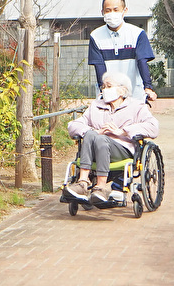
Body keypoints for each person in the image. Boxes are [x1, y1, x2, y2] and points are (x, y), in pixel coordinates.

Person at [64, 72, 159, 204]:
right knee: (91, 134)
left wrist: (123, 131)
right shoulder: (96, 106)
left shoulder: (136, 107)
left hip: (122, 150)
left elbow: (153, 127)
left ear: (122, 90)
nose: (104, 90)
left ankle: (101, 187)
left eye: (109, 86)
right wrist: (96, 131)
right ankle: (83, 183)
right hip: (95, 150)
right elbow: (73, 125)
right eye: (103, 87)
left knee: (101, 139)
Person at [87, 0, 157, 103]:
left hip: (135, 95)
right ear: (102, 12)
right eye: (108, 10)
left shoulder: (138, 34)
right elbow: (99, 67)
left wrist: (148, 87)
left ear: (125, 10)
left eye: (116, 10)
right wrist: (103, 90)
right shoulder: (95, 36)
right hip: (109, 97)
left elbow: (142, 62)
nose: (112, 13)